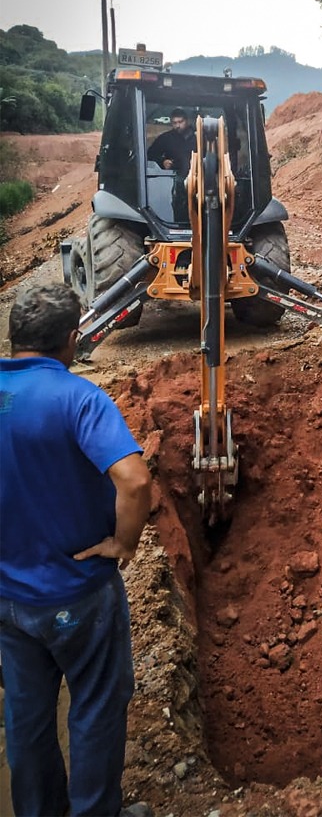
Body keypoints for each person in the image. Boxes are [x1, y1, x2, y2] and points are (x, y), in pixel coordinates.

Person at [0, 283, 153, 817]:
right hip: (79, 593)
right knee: (94, 709)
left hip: (9, 599)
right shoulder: (78, 398)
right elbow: (134, 481)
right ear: (71, 340)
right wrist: (123, 544)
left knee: (27, 717)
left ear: (12, 336)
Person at [147, 108, 195, 222]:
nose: (178, 125)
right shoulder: (166, 138)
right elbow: (150, 154)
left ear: (187, 121)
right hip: (172, 181)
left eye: (180, 122)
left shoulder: (199, 138)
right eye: (175, 123)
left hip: (198, 181)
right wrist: (162, 161)